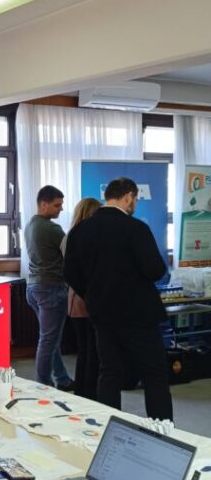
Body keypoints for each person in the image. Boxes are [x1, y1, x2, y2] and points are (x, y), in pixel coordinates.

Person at [64, 177, 172, 420]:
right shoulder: (136, 228)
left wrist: (92, 293)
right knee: (154, 373)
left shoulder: (80, 230)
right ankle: (161, 428)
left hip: (101, 312)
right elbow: (155, 270)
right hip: (139, 314)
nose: (135, 204)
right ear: (129, 197)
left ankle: (108, 424)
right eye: (135, 199)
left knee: (108, 371)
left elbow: (70, 272)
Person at [24, 185, 74, 391]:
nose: (61, 209)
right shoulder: (52, 229)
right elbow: (72, 254)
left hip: (33, 287)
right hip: (50, 289)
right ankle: (43, 386)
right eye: (57, 205)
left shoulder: (30, 224)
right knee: (48, 340)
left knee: (50, 339)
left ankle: (62, 379)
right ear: (43, 205)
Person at [61, 197, 102, 400]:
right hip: (86, 300)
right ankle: (90, 393)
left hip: (74, 300)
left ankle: (82, 392)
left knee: (84, 350)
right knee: (92, 350)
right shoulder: (84, 238)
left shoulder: (68, 236)